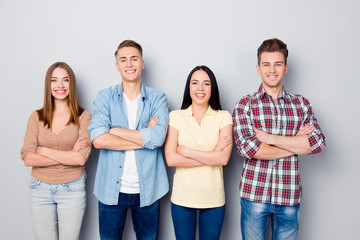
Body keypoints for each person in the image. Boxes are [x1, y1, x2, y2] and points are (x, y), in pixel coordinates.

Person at [233, 38, 326, 239]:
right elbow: (249, 149)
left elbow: (317, 143)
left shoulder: (301, 104)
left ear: (285, 68)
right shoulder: (245, 105)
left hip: (289, 195)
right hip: (254, 195)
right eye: (266, 64)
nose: (272, 69)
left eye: (277, 64)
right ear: (258, 68)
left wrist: (269, 138)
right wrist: (296, 144)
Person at [88, 40, 169, 240]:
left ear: (142, 63)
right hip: (110, 190)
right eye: (123, 60)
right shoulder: (104, 97)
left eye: (134, 59)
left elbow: (158, 138)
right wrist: (144, 136)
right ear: (117, 65)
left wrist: (114, 131)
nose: (129, 64)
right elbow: (98, 140)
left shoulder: (158, 98)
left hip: (148, 190)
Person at [21, 62, 91, 240]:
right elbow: (28, 159)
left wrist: (43, 150)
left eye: (65, 80)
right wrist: (69, 156)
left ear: (72, 84)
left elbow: (81, 159)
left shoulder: (83, 117)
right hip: (39, 189)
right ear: (48, 84)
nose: (60, 85)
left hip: (72, 188)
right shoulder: (35, 117)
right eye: (54, 80)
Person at [165, 65, 233, 240]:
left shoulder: (224, 116)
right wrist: (212, 154)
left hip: (214, 199)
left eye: (206, 83)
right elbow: (171, 159)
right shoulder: (176, 116)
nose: (200, 88)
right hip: (182, 198)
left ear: (213, 88)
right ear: (189, 87)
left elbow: (224, 158)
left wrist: (186, 151)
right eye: (195, 83)